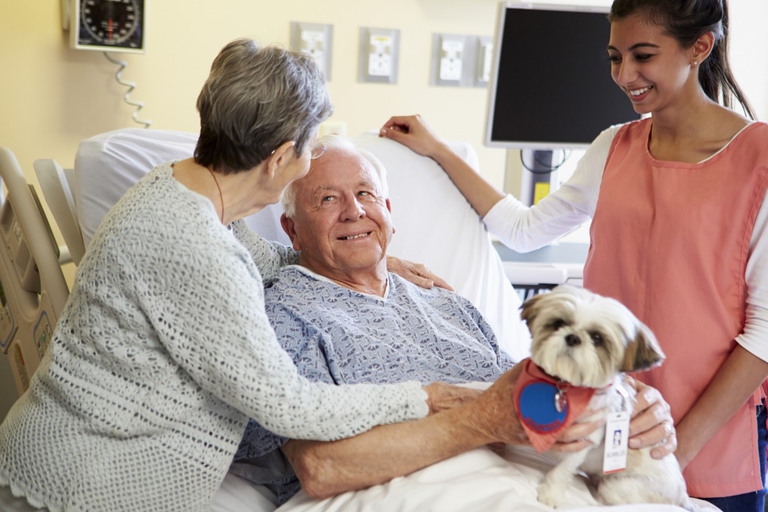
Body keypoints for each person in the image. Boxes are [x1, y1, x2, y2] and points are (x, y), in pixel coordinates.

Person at [0, 39, 478, 512]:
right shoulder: (198, 251)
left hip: (70, 453)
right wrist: (423, 398)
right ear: (280, 160)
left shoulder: (184, 190)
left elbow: (264, 257)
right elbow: (290, 406)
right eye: (310, 151)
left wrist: (360, 256)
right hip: (79, 484)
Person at [378, 1, 768, 510]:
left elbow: (763, 333)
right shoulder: (614, 147)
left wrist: (674, 451)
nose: (624, 75)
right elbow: (523, 228)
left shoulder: (757, 160)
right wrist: (441, 150)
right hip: (598, 434)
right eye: (614, 57)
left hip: (707, 446)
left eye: (643, 55)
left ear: (700, 47)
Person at [230, 135, 677, 506]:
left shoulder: (448, 303)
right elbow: (321, 467)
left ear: (388, 210)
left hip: (544, 479)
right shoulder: (286, 311)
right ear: (292, 230)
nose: (354, 211)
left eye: (366, 194)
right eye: (328, 199)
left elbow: (529, 396)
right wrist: (481, 423)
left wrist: (624, 403)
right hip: (410, 490)